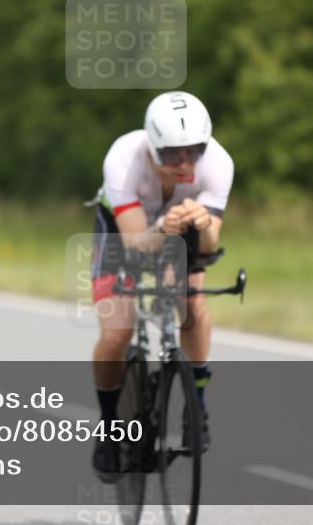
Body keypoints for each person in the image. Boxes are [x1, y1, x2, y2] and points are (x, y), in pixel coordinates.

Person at [90, 91, 233, 482]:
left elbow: (208, 247)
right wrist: (161, 228)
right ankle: (108, 426)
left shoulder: (217, 163)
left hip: (181, 229)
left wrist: (203, 224)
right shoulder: (123, 159)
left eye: (194, 152)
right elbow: (136, 243)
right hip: (126, 230)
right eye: (172, 155)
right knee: (117, 332)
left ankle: (197, 403)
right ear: (152, 147)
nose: (185, 164)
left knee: (194, 306)